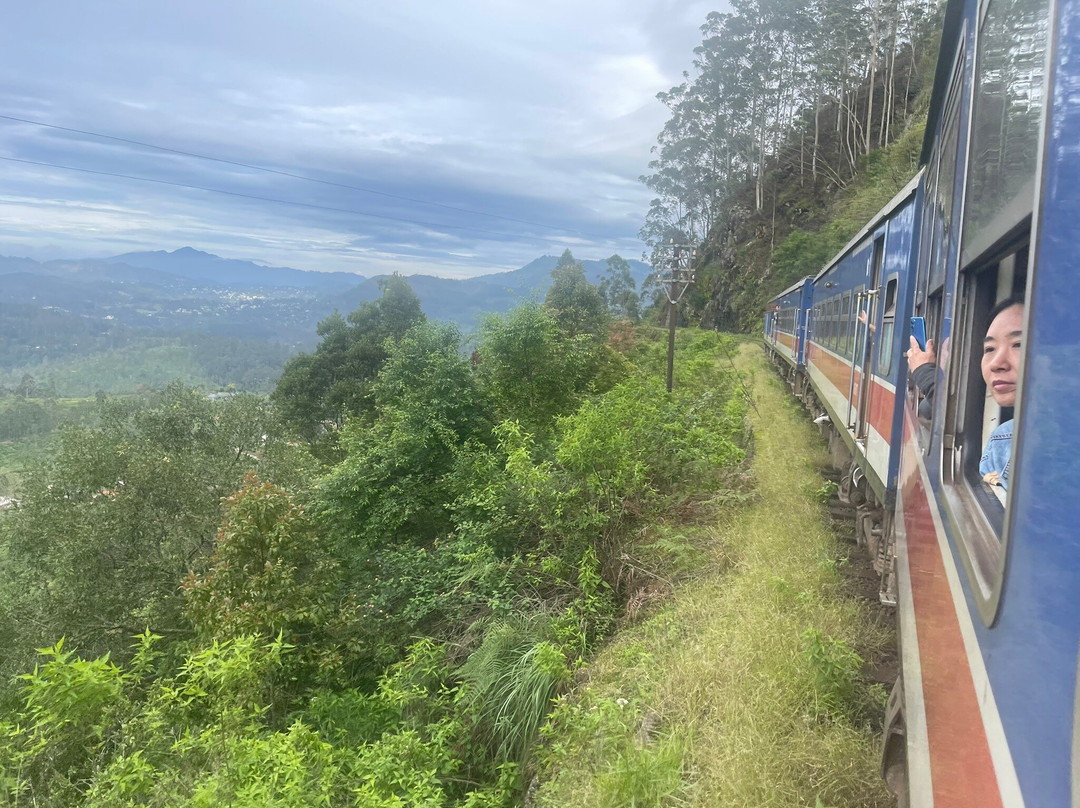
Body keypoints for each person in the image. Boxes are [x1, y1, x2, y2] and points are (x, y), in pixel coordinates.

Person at [905, 297, 1024, 489]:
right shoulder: (1002, 438)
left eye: (1019, 344)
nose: (996, 363)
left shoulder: (1004, 441)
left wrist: (927, 376)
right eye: (990, 348)